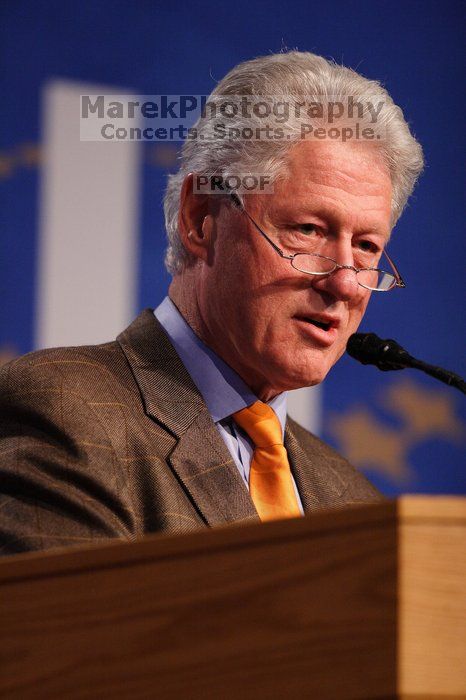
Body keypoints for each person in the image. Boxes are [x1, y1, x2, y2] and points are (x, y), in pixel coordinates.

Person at [0, 51, 423, 555]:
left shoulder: (354, 500)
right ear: (202, 220)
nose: (348, 284)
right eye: (310, 230)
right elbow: (69, 632)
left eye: (367, 248)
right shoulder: (70, 414)